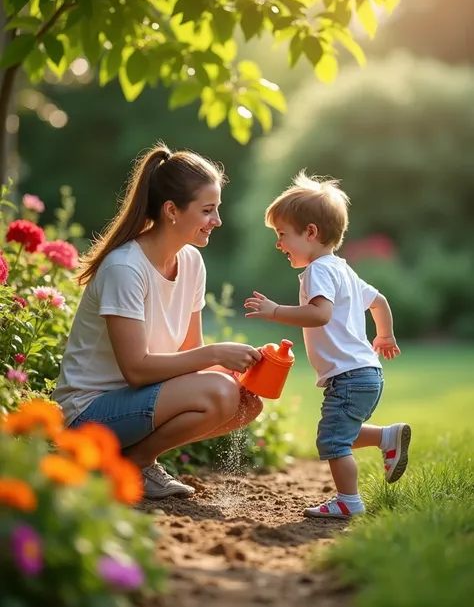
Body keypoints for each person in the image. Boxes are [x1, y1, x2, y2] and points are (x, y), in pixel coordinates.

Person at [52, 143, 263, 500]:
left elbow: (189, 352)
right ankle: (135, 463)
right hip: (87, 414)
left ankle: (130, 461)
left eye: (218, 209)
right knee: (219, 391)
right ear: (172, 211)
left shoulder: (192, 262)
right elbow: (136, 369)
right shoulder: (125, 268)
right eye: (208, 210)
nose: (217, 221)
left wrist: (239, 367)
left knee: (246, 401)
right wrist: (215, 356)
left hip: (134, 403)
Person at [244, 172, 410, 519]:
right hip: (366, 373)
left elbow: (319, 314)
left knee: (333, 442)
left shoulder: (320, 270)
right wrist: (384, 336)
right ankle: (386, 437)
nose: (279, 244)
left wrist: (275, 312)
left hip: (349, 377)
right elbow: (378, 300)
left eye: (282, 235)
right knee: (340, 431)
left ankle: (349, 501)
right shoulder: (343, 269)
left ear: (310, 233)